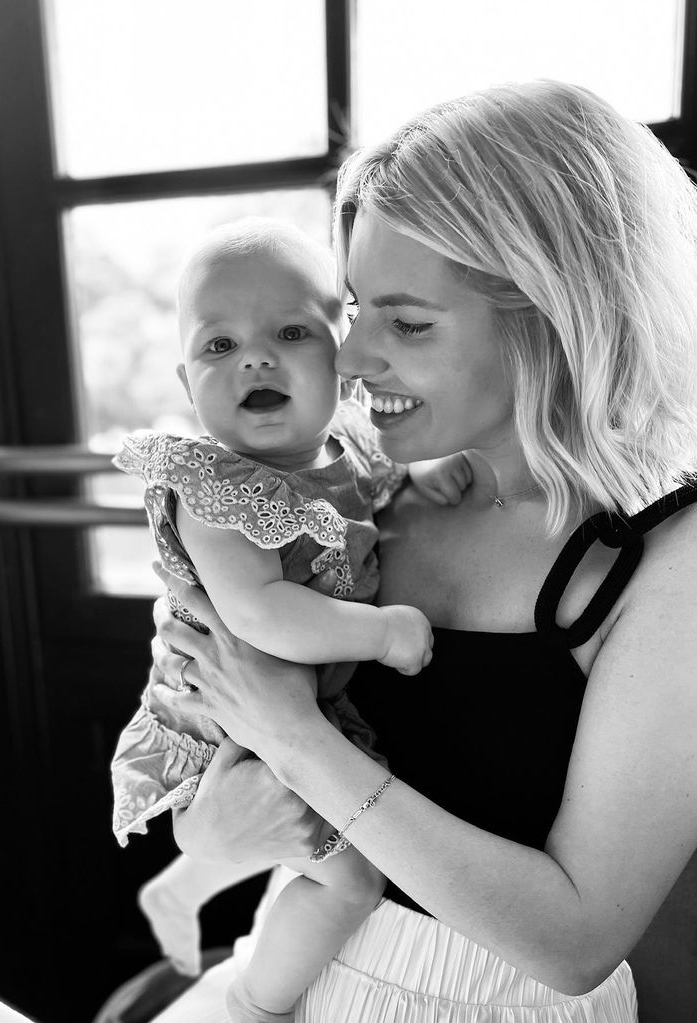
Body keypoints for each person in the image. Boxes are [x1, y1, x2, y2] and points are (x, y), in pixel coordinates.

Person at [144, 80, 697, 1023]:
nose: (350, 357)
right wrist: (213, 824)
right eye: (354, 306)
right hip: (289, 966)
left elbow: (573, 943)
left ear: (557, 321)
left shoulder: (665, 562)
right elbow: (210, 807)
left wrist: (293, 736)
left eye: (406, 322)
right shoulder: (366, 500)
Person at [110, 219, 471, 1021]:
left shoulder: (345, 449)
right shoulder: (217, 489)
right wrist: (381, 632)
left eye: (291, 331)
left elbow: (371, 494)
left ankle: (183, 889)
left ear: (341, 357)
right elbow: (261, 613)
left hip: (294, 704)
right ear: (185, 379)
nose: (254, 357)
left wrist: (425, 467)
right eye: (218, 345)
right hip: (223, 719)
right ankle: (253, 1004)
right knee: (348, 879)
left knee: (311, 845)